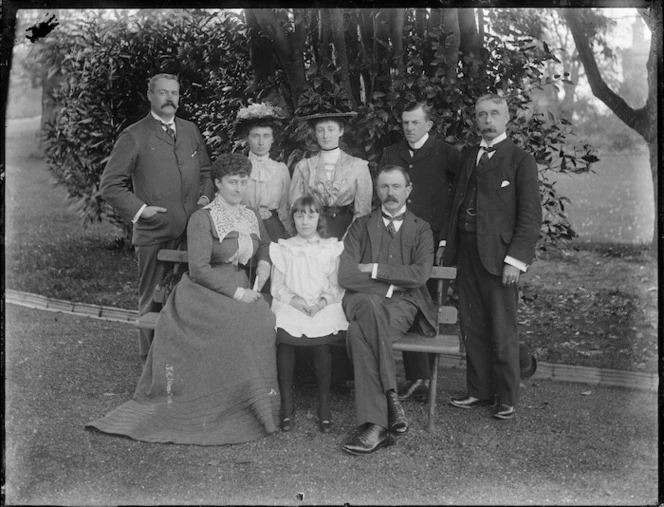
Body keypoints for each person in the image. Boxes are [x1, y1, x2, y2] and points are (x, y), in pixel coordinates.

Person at [87, 154, 280, 444]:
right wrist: (239, 293)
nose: (239, 188)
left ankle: (255, 402)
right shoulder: (203, 218)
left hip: (241, 283)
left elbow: (263, 244)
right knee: (241, 321)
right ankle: (221, 404)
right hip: (204, 292)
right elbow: (199, 269)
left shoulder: (250, 214)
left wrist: (264, 263)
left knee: (261, 318)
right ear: (217, 183)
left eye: (243, 181)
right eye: (232, 182)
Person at [100, 73, 215, 364]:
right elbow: (110, 185)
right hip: (154, 231)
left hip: (190, 230)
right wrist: (141, 211)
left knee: (186, 297)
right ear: (150, 96)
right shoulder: (134, 135)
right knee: (152, 297)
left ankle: (180, 359)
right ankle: (150, 362)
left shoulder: (190, 130)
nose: (169, 99)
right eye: (163, 93)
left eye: (174, 93)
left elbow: (205, 172)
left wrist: (204, 199)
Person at [443, 93, 542, 421]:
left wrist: (515, 260)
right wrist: (448, 243)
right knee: (471, 323)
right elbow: (457, 201)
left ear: (507, 118)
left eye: (494, 114)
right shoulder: (470, 155)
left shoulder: (519, 159)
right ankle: (479, 390)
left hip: (499, 257)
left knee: (502, 327)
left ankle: (506, 396)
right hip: (467, 252)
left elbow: (529, 217)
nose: (487, 120)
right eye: (481, 114)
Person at [337, 165, 437, 455]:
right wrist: (388, 285)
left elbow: (419, 275)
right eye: (384, 187)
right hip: (361, 298)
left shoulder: (422, 229)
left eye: (396, 187)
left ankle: (376, 425)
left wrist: (376, 270)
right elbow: (345, 275)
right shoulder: (360, 226)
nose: (390, 193)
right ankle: (391, 397)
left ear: (408, 190)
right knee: (368, 305)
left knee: (358, 331)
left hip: (403, 304)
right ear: (376, 190)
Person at [380, 101, 463, 403]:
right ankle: (417, 378)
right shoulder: (391, 154)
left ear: (428, 125)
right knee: (401, 301)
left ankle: (428, 379)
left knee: (426, 300)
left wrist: (445, 240)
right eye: (405, 123)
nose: (409, 128)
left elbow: (462, 191)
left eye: (415, 123)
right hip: (396, 241)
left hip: (432, 243)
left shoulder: (445, 153)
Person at [269, 195, 348, 434]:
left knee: (321, 341)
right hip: (293, 305)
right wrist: (295, 301)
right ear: (293, 218)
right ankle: (286, 405)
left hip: (321, 306)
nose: (305, 221)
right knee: (285, 340)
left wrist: (322, 302)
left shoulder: (330, 247)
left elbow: (336, 285)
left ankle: (324, 405)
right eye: (300, 215)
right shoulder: (284, 247)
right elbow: (277, 286)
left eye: (311, 215)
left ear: (319, 218)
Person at [290, 110, 373, 240]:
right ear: (315, 133)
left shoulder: (357, 166)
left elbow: (363, 210)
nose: (325, 136)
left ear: (341, 131)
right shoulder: (304, 167)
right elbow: (295, 206)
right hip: (313, 228)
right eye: (320, 130)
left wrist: (350, 238)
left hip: (346, 228)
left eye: (330, 129)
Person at [236, 102, 295, 241]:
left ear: (273, 138)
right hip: (245, 229)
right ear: (247, 138)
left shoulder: (281, 169)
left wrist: (291, 237)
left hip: (273, 229)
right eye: (256, 136)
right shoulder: (238, 168)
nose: (261, 142)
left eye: (266, 136)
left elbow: (285, 208)